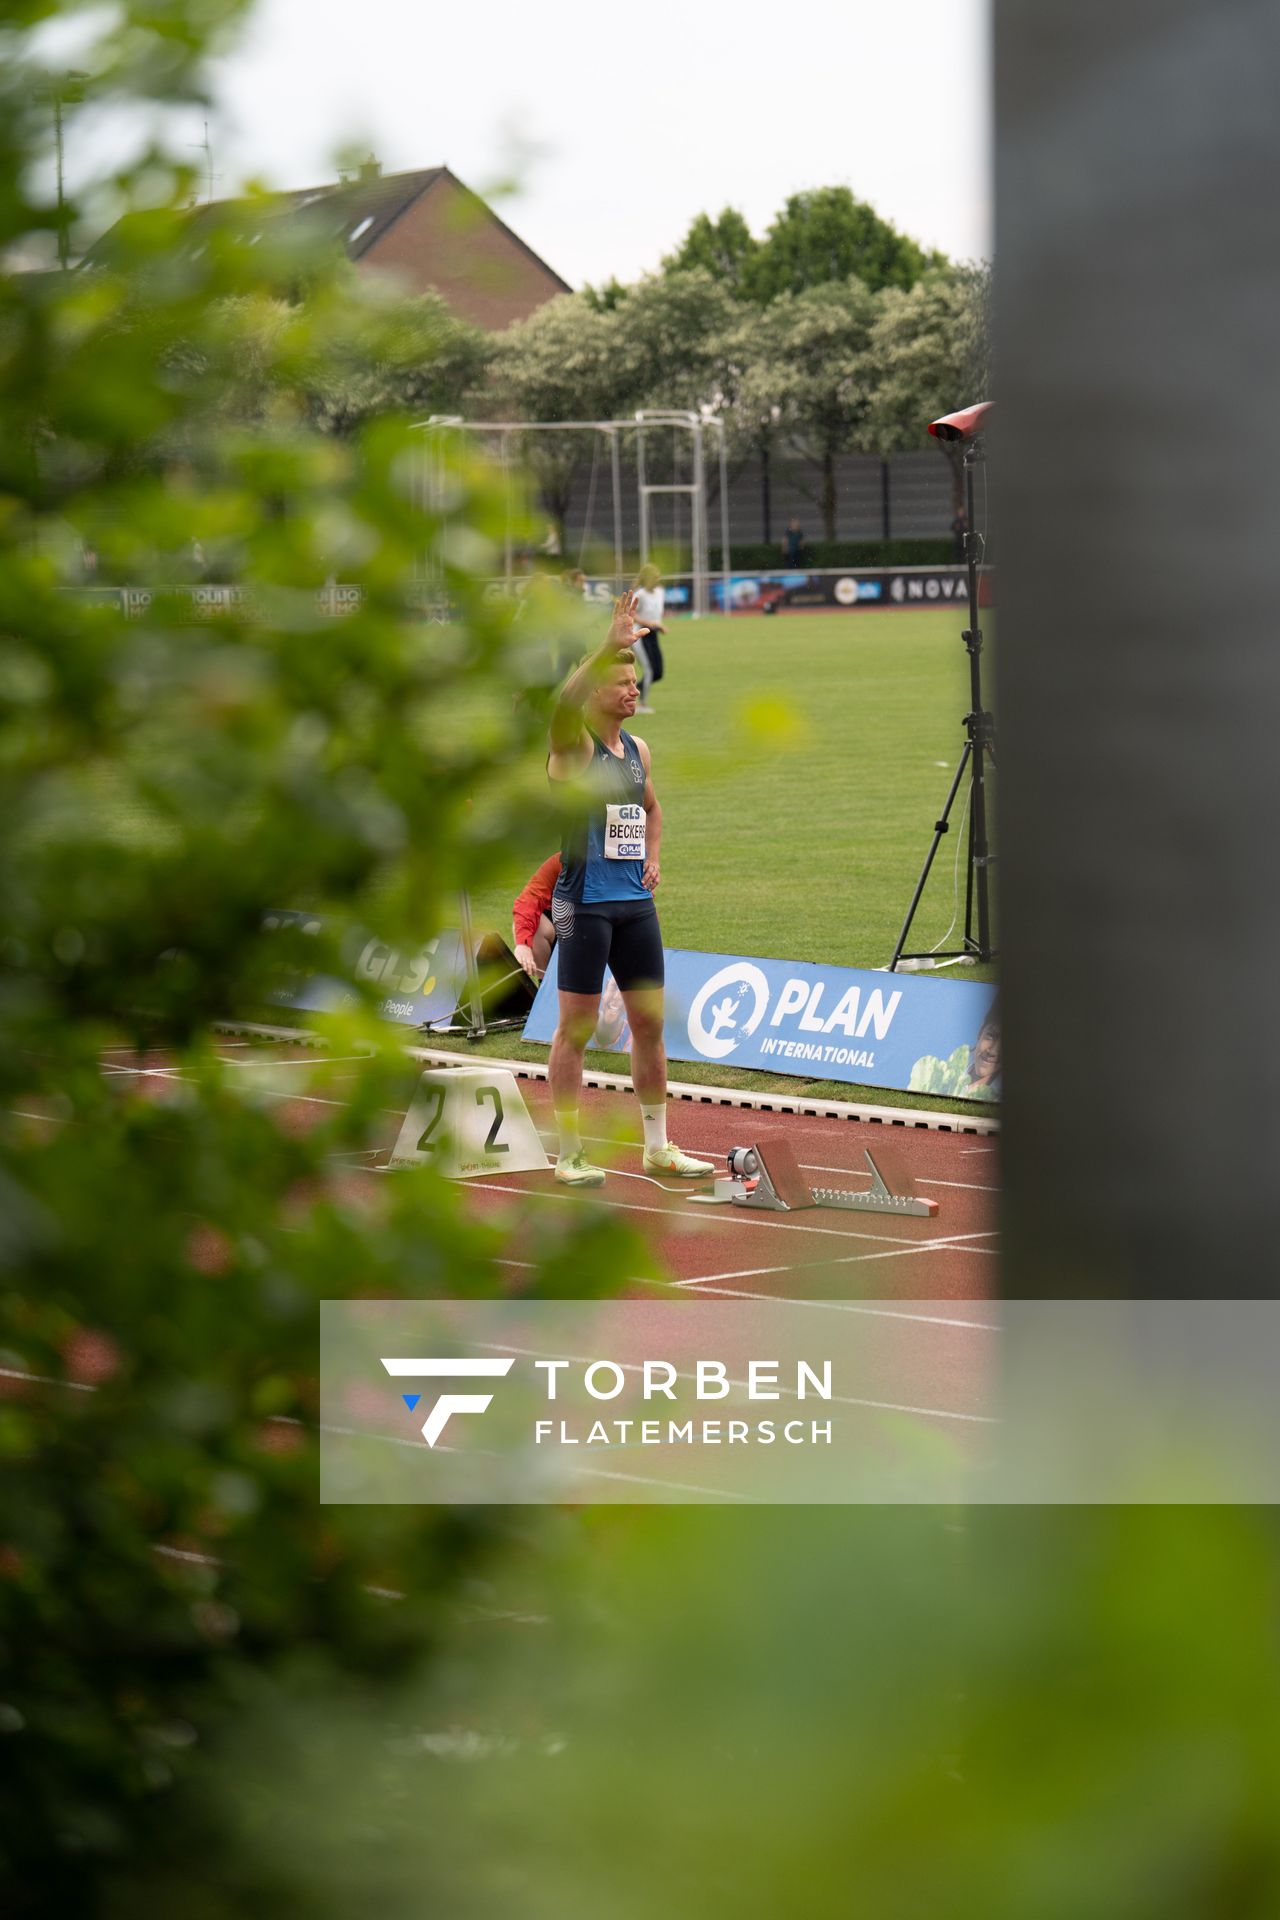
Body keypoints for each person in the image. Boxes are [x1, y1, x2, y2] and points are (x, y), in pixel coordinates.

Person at [545, 592, 714, 1187]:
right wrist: (608, 645)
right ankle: (568, 1152)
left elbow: (652, 808)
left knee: (649, 1026)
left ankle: (657, 1147)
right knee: (577, 1029)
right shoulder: (575, 746)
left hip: (634, 905)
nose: (633, 689)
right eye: (621, 682)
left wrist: (654, 856)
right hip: (581, 904)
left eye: (636, 681)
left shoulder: (638, 750)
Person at [512, 852, 561, 979]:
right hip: (567, 930)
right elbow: (529, 900)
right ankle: (545, 986)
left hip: (604, 931)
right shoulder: (560, 861)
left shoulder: (615, 864)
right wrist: (523, 944)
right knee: (533, 929)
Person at [632, 564, 665, 710]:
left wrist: (658, 625)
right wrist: (649, 623)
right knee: (649, 670)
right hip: (640, 635)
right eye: (653, 577)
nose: (657, 580)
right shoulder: (639, 595)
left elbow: (656, 614)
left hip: (653, 634)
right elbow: (632, 614)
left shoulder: (660, 592)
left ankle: (635, 688)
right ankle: (642, 704)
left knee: (658, 672)